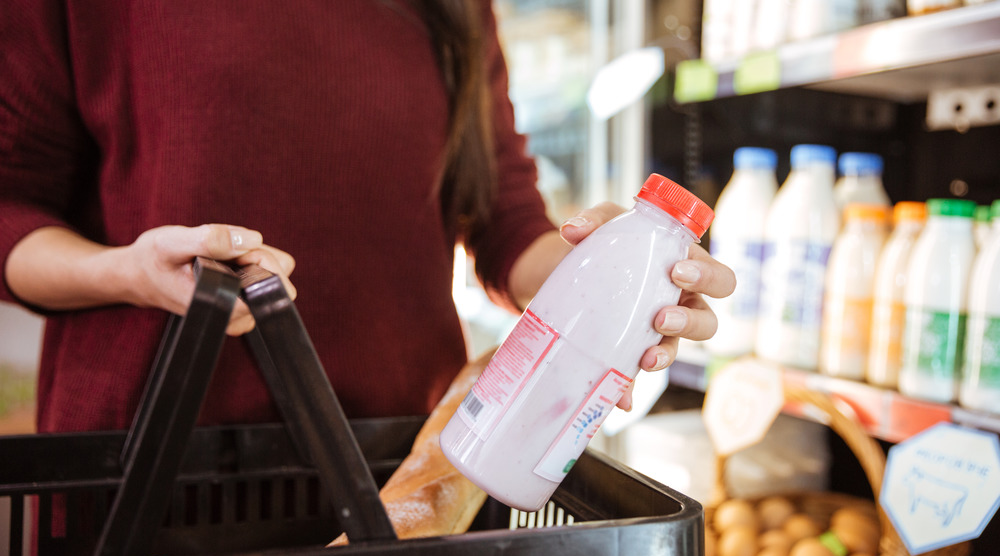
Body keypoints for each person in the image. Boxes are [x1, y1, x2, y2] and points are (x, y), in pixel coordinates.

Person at [1, 1, 733, 436]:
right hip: (146, 465)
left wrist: (614, 276)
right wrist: (128, 272)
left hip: (396, 467)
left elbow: (505, 220)